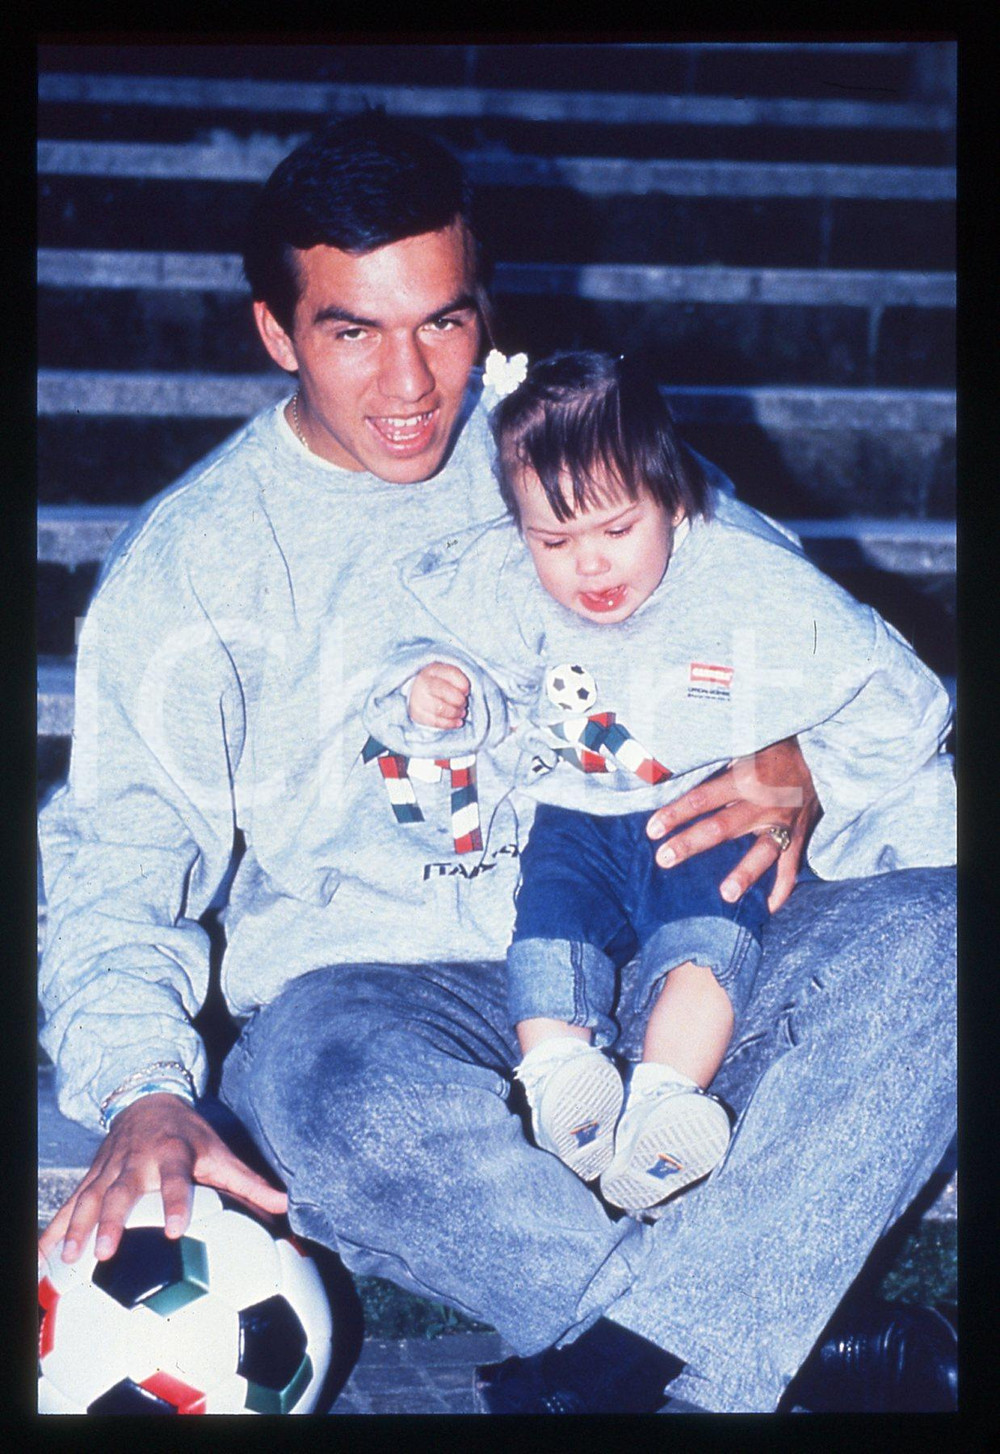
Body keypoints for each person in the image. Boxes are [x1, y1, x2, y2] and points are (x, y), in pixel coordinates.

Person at [37, 111, 957, 1414]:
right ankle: (774, 1344)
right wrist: (140, 1086)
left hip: (680, 961)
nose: (410, 382)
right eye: (353, 332)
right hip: (404, 1004)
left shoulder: (572, 444)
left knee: (944, 934)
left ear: (486, 306)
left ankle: (638, 1362)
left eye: (444, 322)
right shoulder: (194, 563)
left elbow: (797, 628)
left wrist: (798, 751)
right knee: (310, 1083)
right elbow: (119, 860)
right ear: (276, 333)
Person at [364, 349, 955, 1222]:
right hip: (575, 810)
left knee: (712, 928)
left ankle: (666, 1099)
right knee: (548, 923)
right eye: (554, 542)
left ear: (673, 500)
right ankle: (560, 1078)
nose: (590, 568)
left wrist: (817, 768)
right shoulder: (505, 585)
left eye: (616, 530)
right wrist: (439, 701)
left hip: (704, 801)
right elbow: (472, 674)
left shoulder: (747, 574)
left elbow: (892, 688)